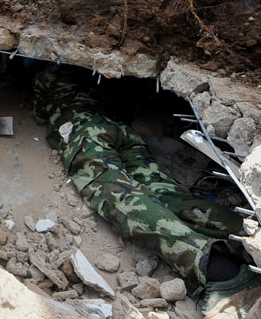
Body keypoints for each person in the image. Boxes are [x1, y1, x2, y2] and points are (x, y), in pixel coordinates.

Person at [32, 66, 261, 314]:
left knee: (120, 199)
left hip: (85, 129)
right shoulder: (98, 78)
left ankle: (219, 273)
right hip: (121, 130)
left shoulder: (47, 74)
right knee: (167, 194)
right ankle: (247, 237)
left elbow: (39, 115)